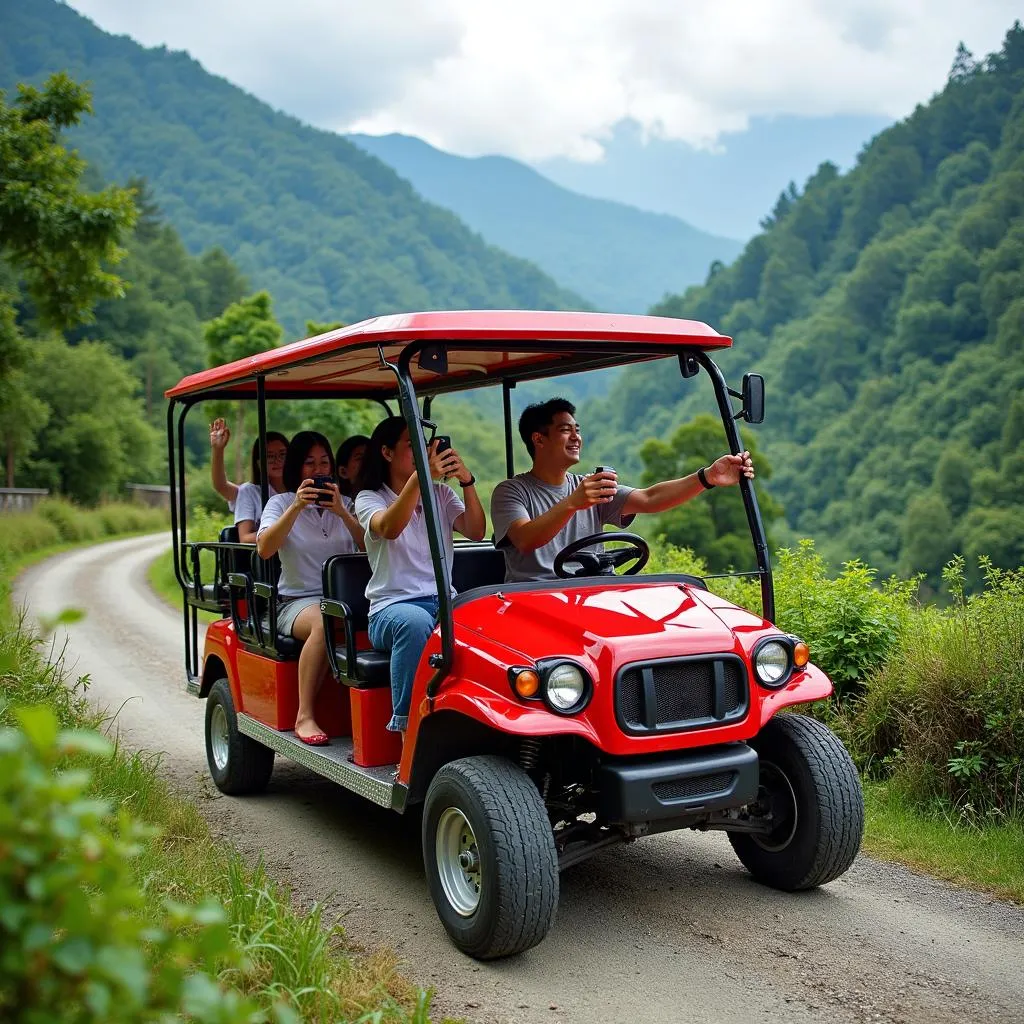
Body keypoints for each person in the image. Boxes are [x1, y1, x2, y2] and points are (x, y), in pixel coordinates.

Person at [490, 398, 755, 584]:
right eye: (565, 431)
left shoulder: (589, 487)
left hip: (591, 594)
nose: (576, 437)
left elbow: (650, 499)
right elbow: (525, 540)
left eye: (577, 430)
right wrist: (572, 503)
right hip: (531, 597)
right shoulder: (512, 491)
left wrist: (707, 476)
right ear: (539, 439)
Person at [354, 418, 485, 737]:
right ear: (386, 452)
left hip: (442, 601)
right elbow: (389, 528)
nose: (423, 451)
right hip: (390, 609)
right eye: (411, 445)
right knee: (414, 624)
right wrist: (421, 478)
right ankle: (408, 728)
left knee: (485, 621)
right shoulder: (369, 498)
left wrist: (467, 481)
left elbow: (476, 530)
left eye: (423, 444)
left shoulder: (440, 494)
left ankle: (478, 724)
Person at [257, 431, 366, 745]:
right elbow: (265, 548)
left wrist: (342, 514)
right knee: (323, 620)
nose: (318, 469)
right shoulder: (279, 503)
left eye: (324, 462)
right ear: (296, 468)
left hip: (345, 600)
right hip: (296, 602)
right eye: (309, 463)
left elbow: (370, 548)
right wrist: (295, 507)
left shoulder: (347, 503)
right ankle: (304, 715)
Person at [335, 434, 369, 498]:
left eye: (371, 456)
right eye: (360, 458)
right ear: (343, 472)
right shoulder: (335, 504)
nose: (369, 461)